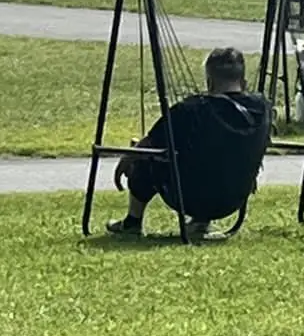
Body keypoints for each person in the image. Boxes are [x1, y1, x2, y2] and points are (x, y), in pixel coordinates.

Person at [107, 46, 272, 239]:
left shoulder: (192, 108)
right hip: (234, 198)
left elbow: (150, 143)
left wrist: (128, 158)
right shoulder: (263, 109)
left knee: (145, 154)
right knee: (216, 156)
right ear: (243, 82)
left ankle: (132, 221)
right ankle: (200, 223)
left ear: (209, 82)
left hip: (189, 198)